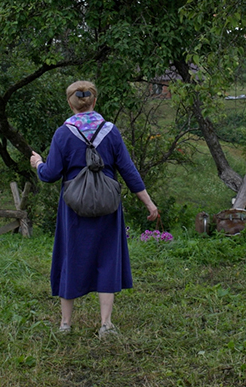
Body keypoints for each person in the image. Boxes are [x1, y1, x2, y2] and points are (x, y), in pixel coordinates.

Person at [30, 80, 159, 338]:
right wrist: (148, 202)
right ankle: (106, 325)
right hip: (108, 209)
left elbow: (50, 175)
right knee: (107, 258)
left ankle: (65, 324)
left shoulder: (63, 134)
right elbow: (128, 171)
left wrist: (38, 164)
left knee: (70, 258)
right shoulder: (110, 132)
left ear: (70, 102)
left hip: (73, 209)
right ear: (94, 101)